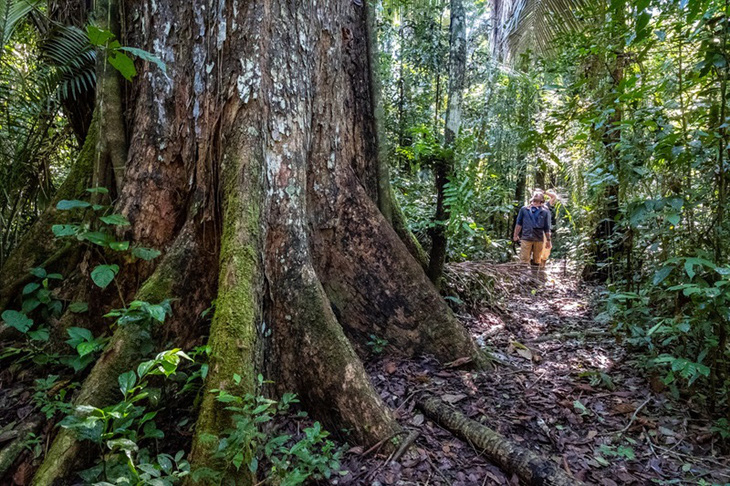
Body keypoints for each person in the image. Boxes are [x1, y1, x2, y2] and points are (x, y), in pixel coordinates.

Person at [513, 192, 552, 269]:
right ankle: (523, 277)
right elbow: (519, 223)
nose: (537, 195)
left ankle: (534, 278)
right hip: (526, 237)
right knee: (524, 259)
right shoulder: (524, 209)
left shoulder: (544, 211)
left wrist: (548, 240)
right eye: (535, 194)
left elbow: (546, 227)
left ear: (542, 199)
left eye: (539, 194)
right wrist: (515, 235)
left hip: (539, 238)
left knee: (537, 260)